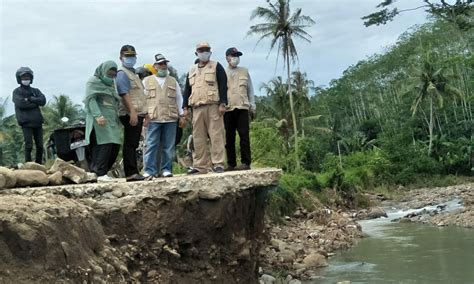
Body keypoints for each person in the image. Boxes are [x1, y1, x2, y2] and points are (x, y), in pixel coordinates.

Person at [183, 41, 228, 174]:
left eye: (206, 50)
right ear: (196, 53)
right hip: (196, 108)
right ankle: (200, 165)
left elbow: (223, 85)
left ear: (210, 52)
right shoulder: (191, 70)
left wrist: (223, 103)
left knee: (216, 135)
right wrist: (185, 107)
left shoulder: (216, 66)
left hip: (213, 106)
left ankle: (218, 163)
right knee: (198, 137)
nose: (204, 52)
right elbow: (187, 89)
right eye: (201, 50)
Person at [142, 54, 185, 178]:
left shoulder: (173, 81)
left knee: (169, 146)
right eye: (160, 64)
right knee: (151, 144)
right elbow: (142, 99)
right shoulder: (146, 81)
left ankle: (166, 169)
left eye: (165, 64)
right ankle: (149, 170)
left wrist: (182, 115)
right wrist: (144, 116)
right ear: (155, 66)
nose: (163, 66)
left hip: (170, 118)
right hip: (153, 117)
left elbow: (179, 98)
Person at [84, 61, 121, 182]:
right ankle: (100, 172)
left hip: (112, 120)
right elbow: (90, 99)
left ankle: (102, 171)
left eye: (113, 74)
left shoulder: (111, 86)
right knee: (104, 144)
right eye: (108, 73)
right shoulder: (93, 82)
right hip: (100, 120)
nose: (111, 76)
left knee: (114, 145)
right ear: (102, 71)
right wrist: (98, 115)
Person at [116, 45, 148, 182]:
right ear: (121, 57)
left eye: (132, 56)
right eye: (127, 56)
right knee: (130, 143)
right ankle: (131, 172)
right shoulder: (122, 73)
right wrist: (133, 112)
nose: (130, 59)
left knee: (134, 143)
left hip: (138, 112)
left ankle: (133, 171)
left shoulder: (133, 73)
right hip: (130, 113)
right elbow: (124, 93)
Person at [224, 47, 256, 171]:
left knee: (244, 135)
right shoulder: (222, 72)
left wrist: (253, 106)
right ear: (227, 58)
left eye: (237, 56)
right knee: (229, 137)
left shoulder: (244, 71)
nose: (236, 58)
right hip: (228, 108)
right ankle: (231, 163)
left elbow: (250, 90)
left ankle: (246, 162)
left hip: (242, 107)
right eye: (233, 56)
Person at [12, 67, 46, 164]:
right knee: (29, 145)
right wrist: (35, 101)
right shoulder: (17, 92)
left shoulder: (36, 91)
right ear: (19, 78)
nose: (25, 79)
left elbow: (43, 101)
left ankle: (39, 164)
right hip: (26, 123)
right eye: (23, 77)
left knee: (40, 145)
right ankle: (28, 163)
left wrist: (30, 99)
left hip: (38, 122)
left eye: (27, 77)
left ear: (31, 78)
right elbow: (20, 104)